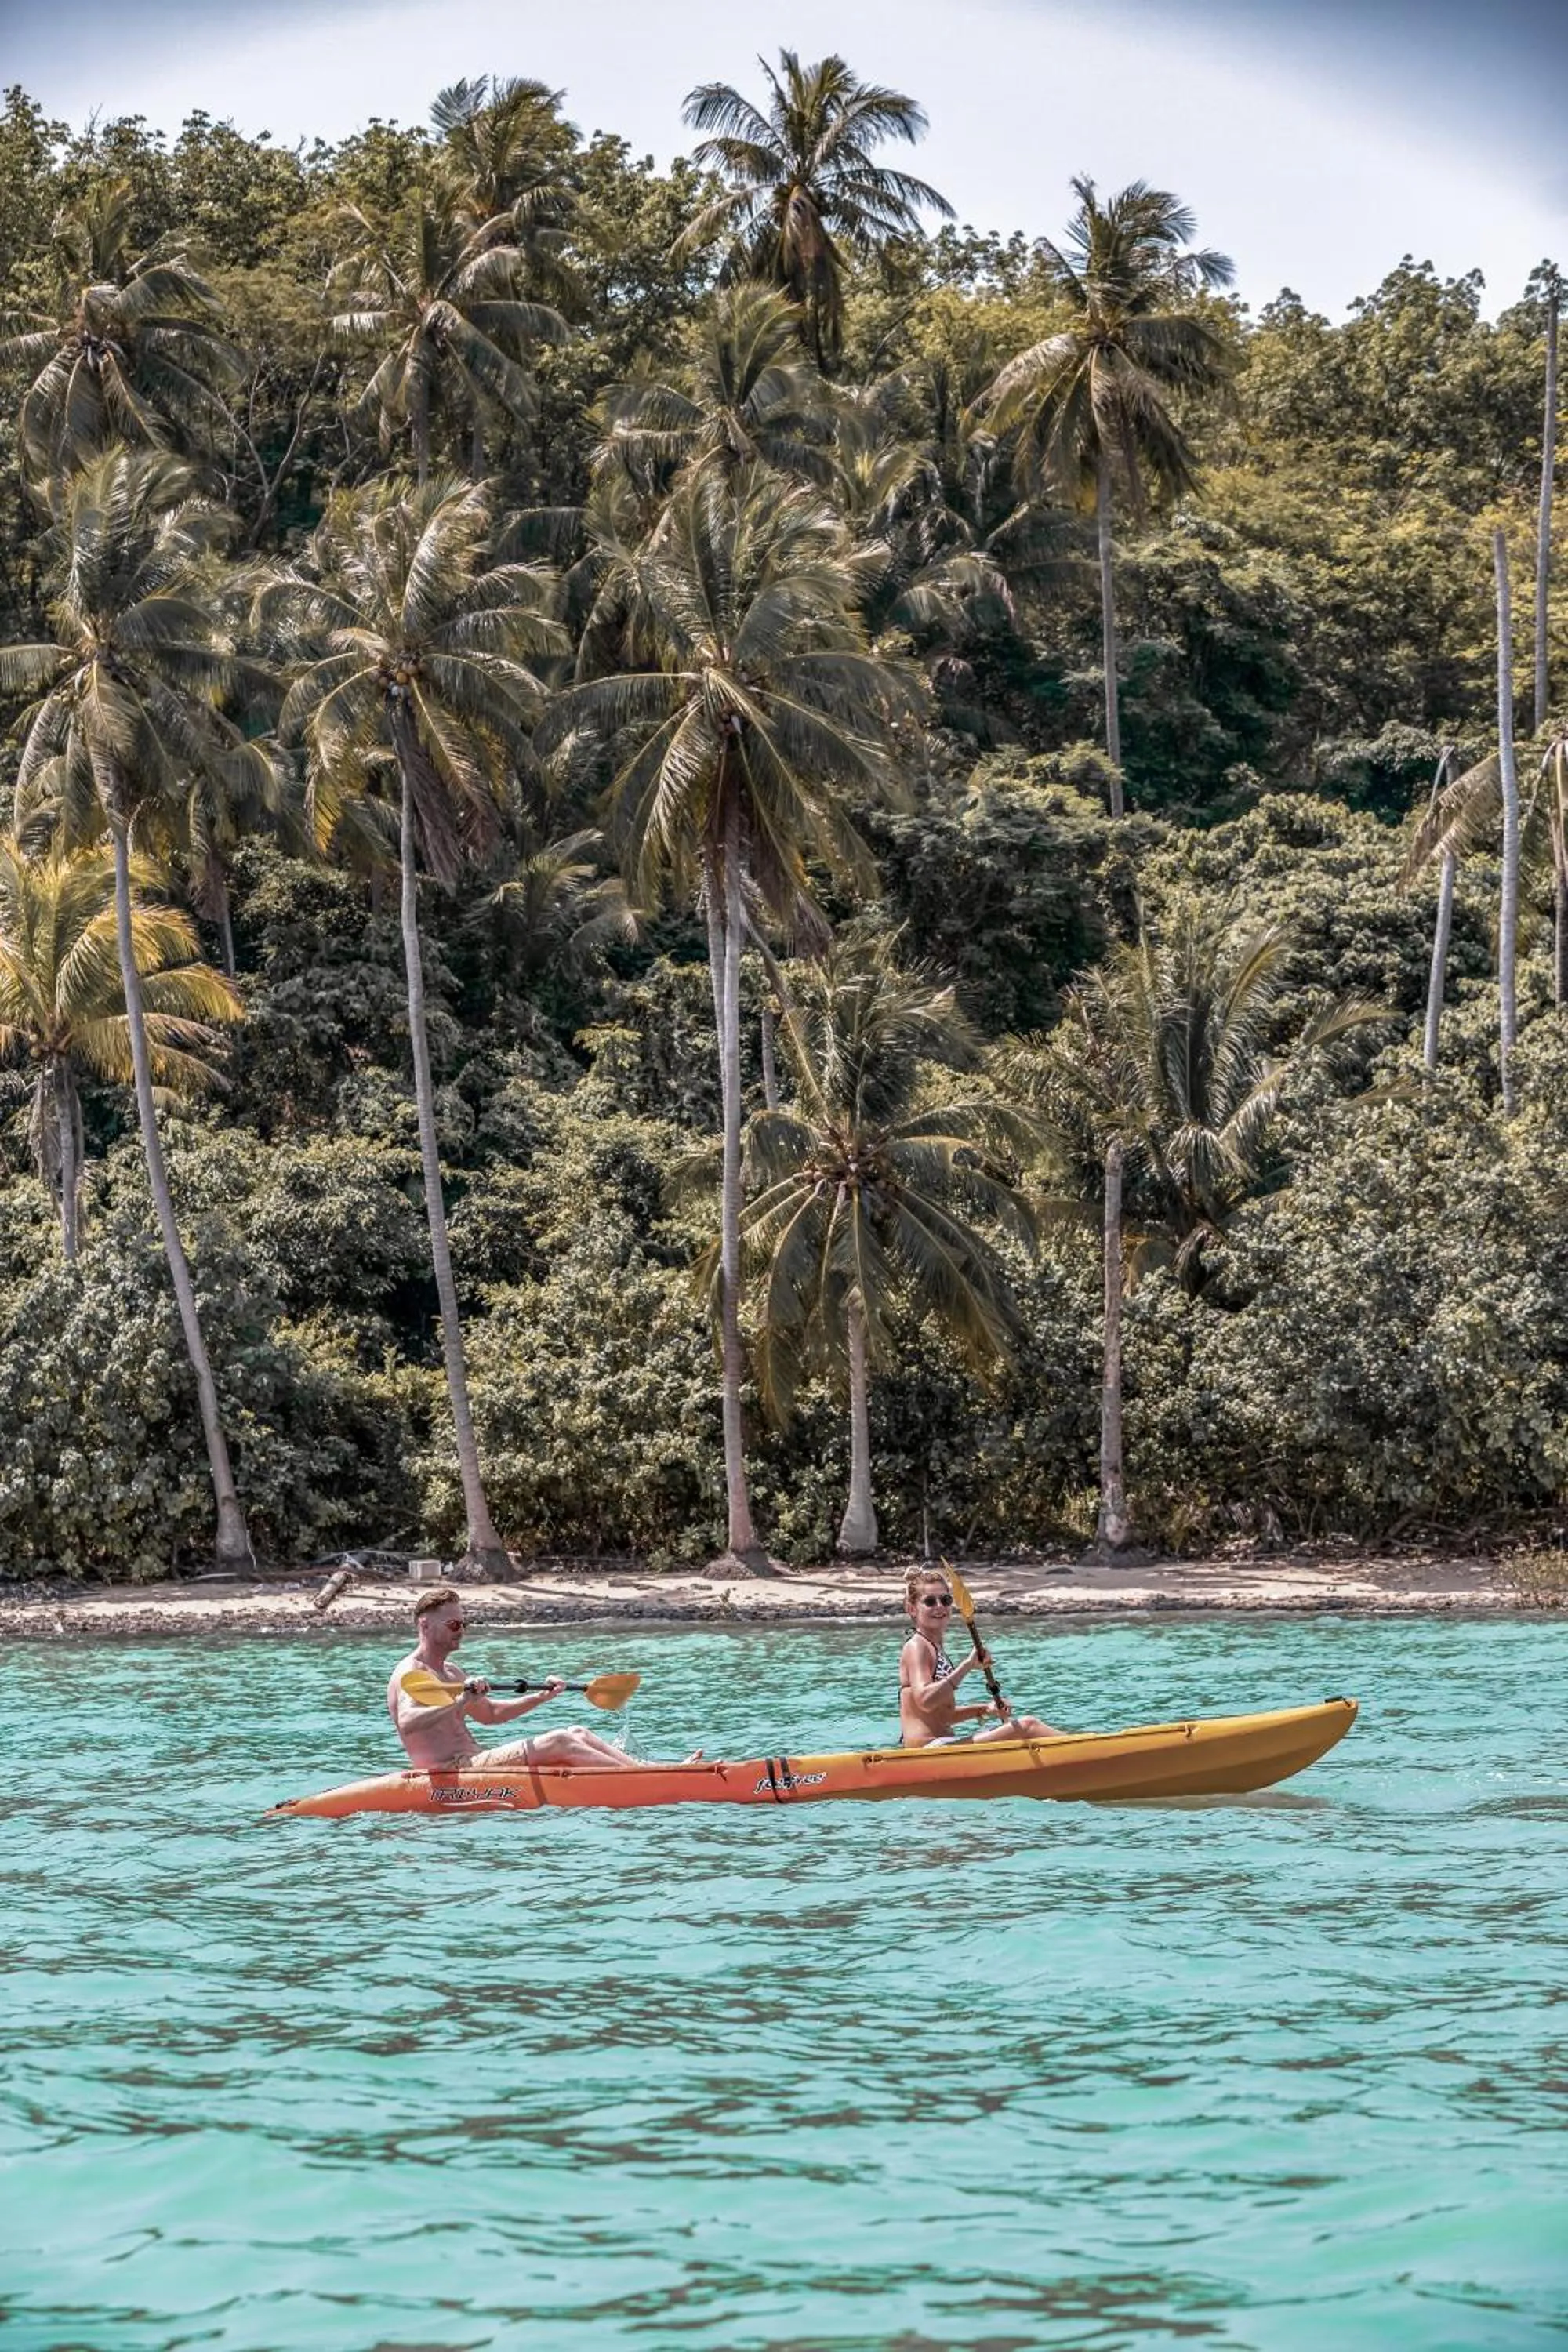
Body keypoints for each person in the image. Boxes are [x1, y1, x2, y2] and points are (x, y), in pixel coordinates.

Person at [387, 1586, 701, 1770]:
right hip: (450, 1770)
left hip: (475, 1759)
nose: (461, 1631)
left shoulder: (452, 1672)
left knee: (577, 1731)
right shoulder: (411, 1672)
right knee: (559, 1740)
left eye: (463, 1624)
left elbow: (491, 1714)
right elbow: (409, 1721)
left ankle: (660, 1770)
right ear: (425, 1626)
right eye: (454, 1624)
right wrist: (460, 1701)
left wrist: (540, 1697)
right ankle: (653, 1780)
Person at [898, 1567, 1058, 1748]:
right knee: (1028, 1726)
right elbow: (926, 1700)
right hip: (929, 1750)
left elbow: (943, 1717)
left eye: (945, 1600)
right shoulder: (917, 1646)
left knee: (1018, 1734)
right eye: (930, 1602)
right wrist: (968, 1665)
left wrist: (984, 1709)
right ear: (911, 1609)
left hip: (943, 1744)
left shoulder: (934, 1647)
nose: (940, 1607)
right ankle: (1091, 1751)